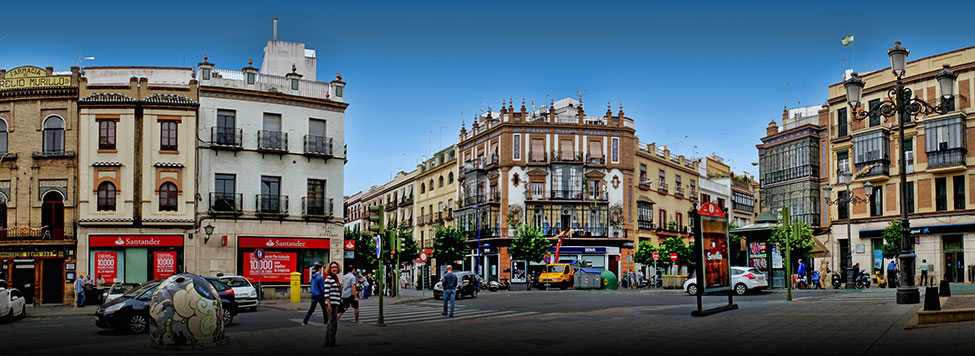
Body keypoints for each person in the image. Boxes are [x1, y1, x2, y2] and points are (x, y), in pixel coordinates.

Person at [323, 262, 342, 347]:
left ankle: (328, 342)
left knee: (332, 323)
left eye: (336, 267)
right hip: (331, 304)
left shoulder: (335, 278)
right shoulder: (329, 278)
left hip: (335, 303)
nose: (334, 269)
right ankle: (331, 342)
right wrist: (329, 304)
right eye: (333, 267)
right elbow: (326, 293)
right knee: (332, 323)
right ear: (329, 269)